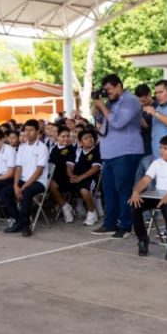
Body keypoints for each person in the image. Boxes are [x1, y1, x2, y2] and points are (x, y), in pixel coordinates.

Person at [90, 74, 143, 238]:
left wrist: (102, 105)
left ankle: (125, 226)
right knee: (109, 190)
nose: (108, 93)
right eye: (105, 90)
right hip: (109, 153)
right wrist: (96, 104)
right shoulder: (110, 102)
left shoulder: (131, 101)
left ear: (119, 86)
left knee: (123, 189)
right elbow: (99, 118)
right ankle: (110, 224)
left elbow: (118, 122)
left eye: (109, 89)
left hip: (126, 151)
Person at [128, 134, 167, 259]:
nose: (161, 151)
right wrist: (136, 192)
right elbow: (145, 179)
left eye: (165, 148)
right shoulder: (156, 163)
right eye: (161, 147)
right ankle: (142, 239)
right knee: (134, 205)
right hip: (158, 195)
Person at [0, 119, 50, 237]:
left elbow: (39, 171)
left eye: (31, 130)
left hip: (39, 181)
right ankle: (18, 221)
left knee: (26, 192)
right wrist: (15, 185)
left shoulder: (42, 148)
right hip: (23, 180)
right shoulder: (22, 147)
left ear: (37, 131)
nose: (28, 133)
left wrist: (24, 186)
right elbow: (18, 168)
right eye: (26, 130)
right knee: (5, 192)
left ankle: (25, 225)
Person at [68, 130, 102, 226]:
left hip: (90, 178)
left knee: (84, 190)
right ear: (80, 142)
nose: (89, 140)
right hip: (76, 177)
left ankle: (92, 212)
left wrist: (80, 178)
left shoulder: (96, 151)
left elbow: (95, 168)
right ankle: (71, 209)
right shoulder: (77, 151)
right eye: (86, 138)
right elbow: (70, 165)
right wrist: (71, 175)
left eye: (91, 137)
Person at [47, 128, 77, 223]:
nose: (66, 138)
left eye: (68, 136)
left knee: (50, 184)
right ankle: (64, 205)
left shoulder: (72, 149)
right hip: (52, 176)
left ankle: (64, 207)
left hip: (65, 178)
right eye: (63, 136)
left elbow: (69, 167)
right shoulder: (53, 149)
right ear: (57, 137)